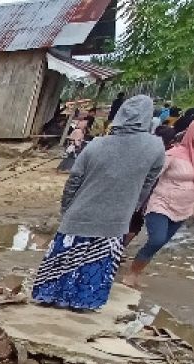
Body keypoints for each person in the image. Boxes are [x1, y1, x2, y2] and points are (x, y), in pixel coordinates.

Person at [32, 96, 166, 310]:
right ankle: (82, 302)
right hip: (116, 219)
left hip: (78, 216)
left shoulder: (97, 144)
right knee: (96, 263)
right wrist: (130, 208)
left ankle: (51, 297)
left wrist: (66, 209)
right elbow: (147, 185)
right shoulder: (155, 147)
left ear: (120, 114)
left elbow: (74, 180)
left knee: (64, 261)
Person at [121, 115, 194, 288]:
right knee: (157, 239)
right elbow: (151, 176)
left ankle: (135, 273)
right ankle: (130, 272)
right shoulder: (173, 154)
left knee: (160, 243)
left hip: (184, 207)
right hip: (160, 202)